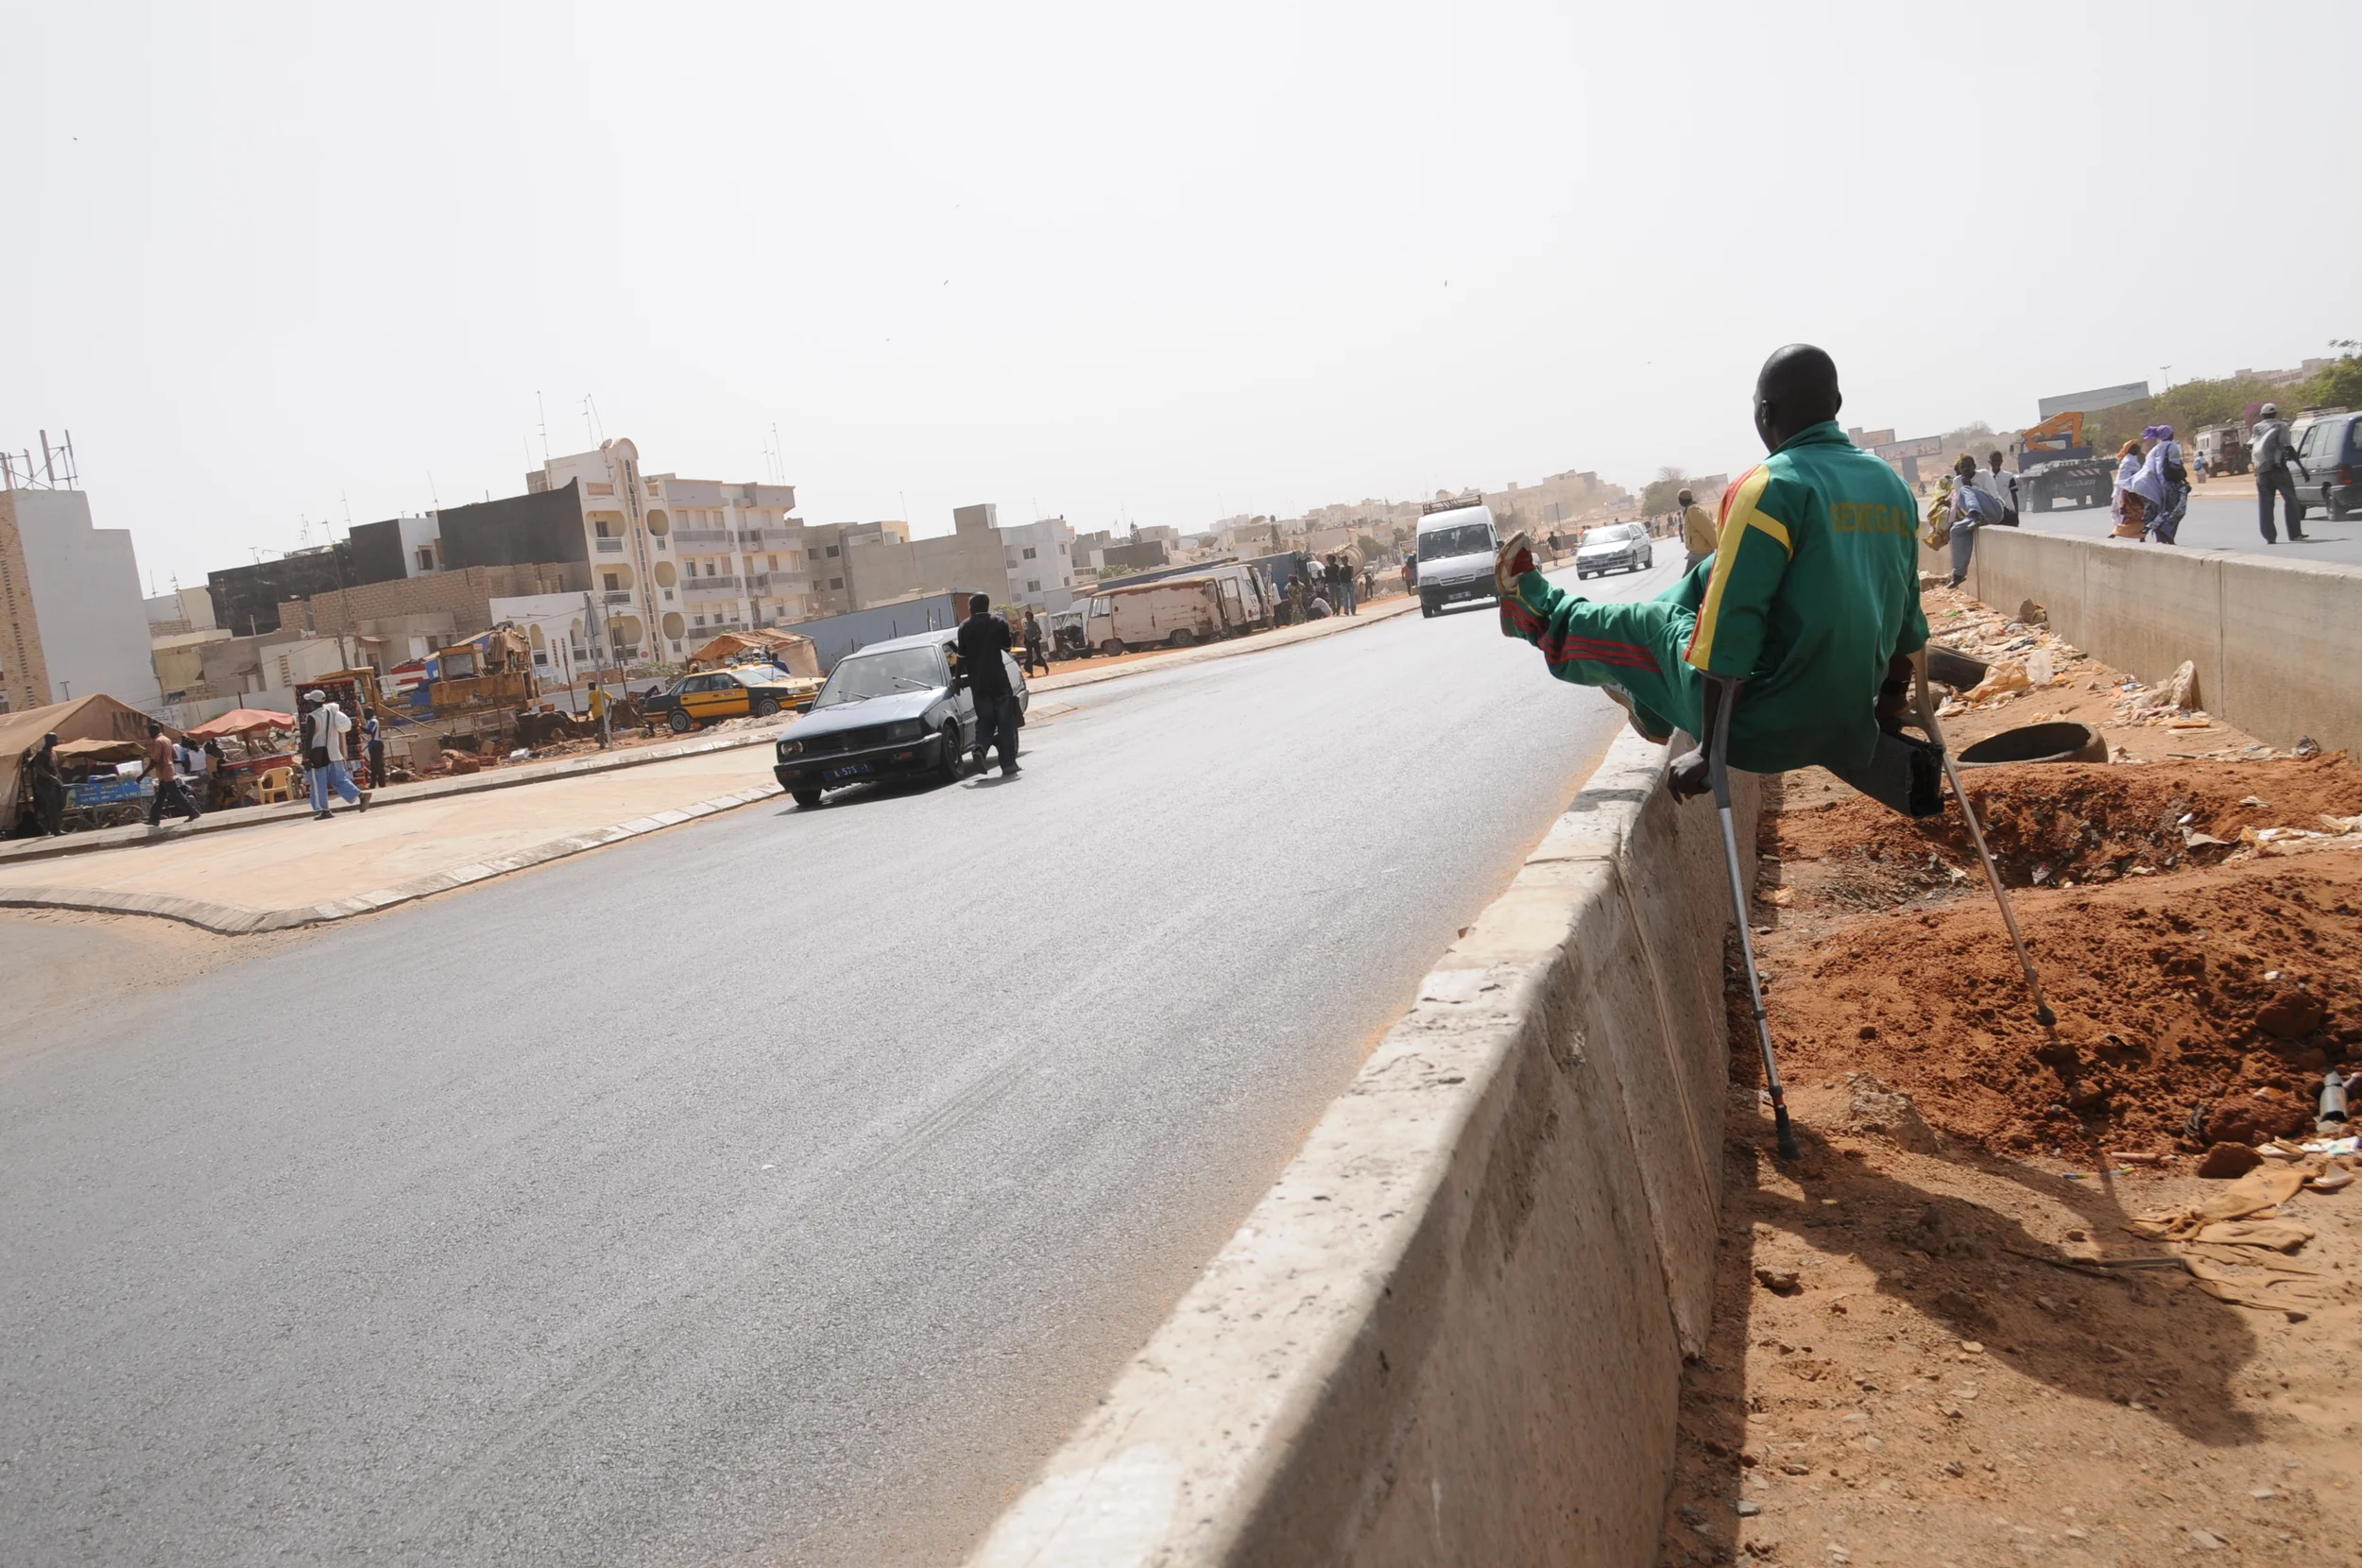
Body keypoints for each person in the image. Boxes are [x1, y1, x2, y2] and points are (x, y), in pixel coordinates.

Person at [1495, 343, 1926, 797]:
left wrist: (1709, 751)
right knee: (1710, 576)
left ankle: (1538, 617)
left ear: (1764, 412)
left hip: (1763, 729)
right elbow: (1908, 622)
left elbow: (1731, 628)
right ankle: (1650, 704)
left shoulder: (1769, 486)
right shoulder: (1893, 487)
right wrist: (1891, 705)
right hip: (1847, 723)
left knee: (1650, 623)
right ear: (1836, 406)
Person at [955, 593, 1020, 776]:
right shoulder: (998, 623)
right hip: (999, 680)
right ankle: (1008, 765)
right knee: (1005, 720)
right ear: (987, 605)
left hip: (978, 683)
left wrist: (958, 678)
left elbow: (961, 656)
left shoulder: (964, 627)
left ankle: (980, 748)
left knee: (985, 719)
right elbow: (1007, 647)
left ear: (972, 608)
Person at [301, 690, 368, 818]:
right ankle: (360, 795)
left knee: (318, 783)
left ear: (313, 702)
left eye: (310, 701)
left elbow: (309, 738)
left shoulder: (312, 716)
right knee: (339, 780)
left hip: (318, 756)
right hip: (335, 753)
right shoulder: (332, 713)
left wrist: (306, 757)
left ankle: (323, 810)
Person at [2251, 401, 2310, 543]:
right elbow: (2288, 447)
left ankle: (2270, 537)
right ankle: (2295, 533)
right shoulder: (2281, 426)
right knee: (2291, 499)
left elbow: (2253, 447)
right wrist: (2301, 467)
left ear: (2262, 415)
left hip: (2261, 471)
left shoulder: (2257, 427)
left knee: (2265, 504)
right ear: (2275, 414)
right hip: (2278, 469)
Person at [1945, 453, 2006, 586]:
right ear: (1959, 469)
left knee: (1965, 490)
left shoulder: (1983, 474)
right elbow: (1962, 504)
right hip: (1976, 515)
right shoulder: (1958, 481)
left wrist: (1970, 486)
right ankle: (1958, 574)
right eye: (1963, 467)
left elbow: (1992, 494)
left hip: (1994, 509)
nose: (1966, 469)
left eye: (1969, 466)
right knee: (1956, 530)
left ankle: (1976, 515)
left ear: (1974, 467)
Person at [144, 721, 202, 827]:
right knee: (160, 797)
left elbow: (155, 760)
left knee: (176, 794)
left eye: (150, 731)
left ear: (154, 731)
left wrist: (142, 774)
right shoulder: (167, 740)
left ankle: (193, 812)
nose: (149, 734)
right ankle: (154, 819)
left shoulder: (157, 741)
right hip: (166, 771)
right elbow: (174, 756)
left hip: (165, 773)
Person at [27, 732, 66, 836]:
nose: (57, 741)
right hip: (44, 783)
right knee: (52, 805)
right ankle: (55, 830)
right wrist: (51, 778)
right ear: (49, 740)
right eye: (55, 739)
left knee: (61, 802)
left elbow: (53, 767)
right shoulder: (41, 753)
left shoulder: (52, 752)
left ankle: (46, 820)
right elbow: (39, 769)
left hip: (55, 782)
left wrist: (58, 777)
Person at [2110, 440, 2148, 538]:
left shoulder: (2131, 460)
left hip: (2128, 490)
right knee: (2133, 513)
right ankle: (2117, 533)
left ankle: (2118, 532)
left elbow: (2125, 478)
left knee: (2129, 513)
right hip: (2130, 490)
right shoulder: (2133, 460)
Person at [1680, 486, 1718, 571]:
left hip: (1701, 555)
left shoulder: (1693, 511)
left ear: (1681, 500)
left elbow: (1707, 529)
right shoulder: (1689, 511)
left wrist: (1716, 544)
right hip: (1697, 553)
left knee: (1688, 582)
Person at [1979, 451, 2020, 525]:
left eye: (1998, 461)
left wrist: (2016, 513)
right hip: (1992, 514)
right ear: (1989, 462)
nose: (1996, 463)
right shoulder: (1985, 477)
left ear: (2001, 461)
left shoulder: (2009, 476)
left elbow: (2014, 495)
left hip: (2008, 513)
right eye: (1994, 461)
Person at [1021, 610, 1049, 675]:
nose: (1027, 617)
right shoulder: (1026, 624)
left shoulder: (1034, 624)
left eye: (1028, 615)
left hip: (1035, 641)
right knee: (1029, 657)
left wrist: (1034, 638)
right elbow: (1025, 633)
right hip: (1028, 642)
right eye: (1026, 616)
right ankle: (1031, 673)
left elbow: (1039, 632)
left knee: (1038, 655)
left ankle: (1046, 668)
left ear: (1031, 616)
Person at [587, 682, 608, 747]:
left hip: (595, 713)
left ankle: (602, 743)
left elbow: (591, 704)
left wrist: (588, 714)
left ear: (592, 686)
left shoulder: (591, 694)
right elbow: (610, 698)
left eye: (589, 685)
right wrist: (609, 707)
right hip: (601, 712)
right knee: (601, 728)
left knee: (599, 728)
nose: (588, 687)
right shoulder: (600, 691)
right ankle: (602, 743)